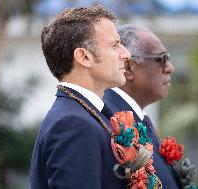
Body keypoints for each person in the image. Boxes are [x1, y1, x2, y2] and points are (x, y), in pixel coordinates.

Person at [30, 4, 131, 188]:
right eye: (115, 45)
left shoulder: (84, 114)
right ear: (84, 57)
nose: (126, 54)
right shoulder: (73, 124)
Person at [103, 25, 181, 188]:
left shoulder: (135, 120)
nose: (169, 68)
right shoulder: (109, 122)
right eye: (162, 58)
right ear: (129, 67)